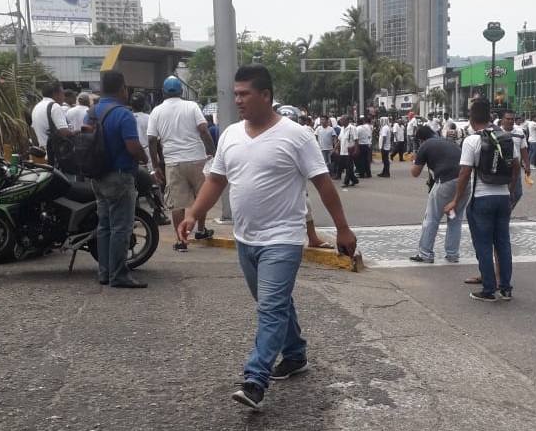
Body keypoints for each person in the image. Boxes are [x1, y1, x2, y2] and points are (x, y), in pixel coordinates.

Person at [177, 64, 357, 410]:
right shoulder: (229, 135)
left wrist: (343, 228)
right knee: (275, 303)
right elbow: (216, 181)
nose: (238, 100)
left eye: (245, 94)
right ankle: (295, 354)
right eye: (236, 93)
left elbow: (323, 184)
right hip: (246, 239)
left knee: (271, 308)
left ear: (266, 96)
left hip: (283, 238)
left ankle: (255, 379)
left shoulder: (296, 135)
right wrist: (193, 214)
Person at [445, 98, 519, 302]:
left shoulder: (471, 141)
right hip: (503, 198)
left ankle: (488, 290)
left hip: (482, 200)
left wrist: (455, 200)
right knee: (503, 243)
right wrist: (510, 190)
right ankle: (506, 289)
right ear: (490, 118)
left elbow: (464, 173)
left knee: (484, 246)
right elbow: (516, 166)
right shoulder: (506, 138)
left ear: (471, 119)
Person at [88, 71, 149, 288]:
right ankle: (119, 275)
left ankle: (104, 273)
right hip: (120, 176)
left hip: (97, 177)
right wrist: (143, 157)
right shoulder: (123, 114)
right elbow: (132, 146)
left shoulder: (92, 112)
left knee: (104, 226)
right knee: (121, 228)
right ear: (121, 88)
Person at [147, 75, 216, 252]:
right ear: (182, 91)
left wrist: (156, 165)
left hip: (173, 162)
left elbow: (152, 140)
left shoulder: (156, 111)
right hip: (196, 159)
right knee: (201, 197)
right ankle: (200, 231)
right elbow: (203, 131)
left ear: (163, 92)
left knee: (177, 204)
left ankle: (181, 240)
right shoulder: (192, 106)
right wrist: (214, 153)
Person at [409, 125, 468, 264]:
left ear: (420, 139)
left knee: (432, 217)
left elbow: (415, 173)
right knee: (454, 218)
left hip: (446, 183)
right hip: (465, 183)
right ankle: (453, 254)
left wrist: (414, 159)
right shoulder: (448, 141)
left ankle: (425, 253)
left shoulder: (425, 145)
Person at [30, 80, 74, 164]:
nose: (63, 97)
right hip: (58, 156)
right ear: (55, 93)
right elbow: (63, 132)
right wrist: (76, 133)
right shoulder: (55, 106)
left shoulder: (37, 107)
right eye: (62, 93)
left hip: (44, 154)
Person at [337, 115, 359, 187]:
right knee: (344, 166)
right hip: (342, 151)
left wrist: (356, 149)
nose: (340, 121)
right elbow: (340, 140)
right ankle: (354, 180)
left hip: (349, 151)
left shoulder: (352, 128)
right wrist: (335, 149)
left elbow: (356, 139)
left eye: (342, 120)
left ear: (346, 120)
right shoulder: (342, 129)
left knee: (349, 167)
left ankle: (346, 182)